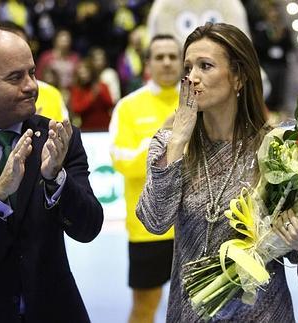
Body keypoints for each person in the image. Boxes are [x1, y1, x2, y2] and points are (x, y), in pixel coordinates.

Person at [136, 22, 298, 322]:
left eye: (205, 66)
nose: (192, 77)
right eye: (188, 67)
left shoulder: (277, 147)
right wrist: (178, 142)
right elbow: (155, 222)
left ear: (238, 77)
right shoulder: (168, 143)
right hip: (191, 313)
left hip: (263, 314)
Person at [0, 28, 104, 322]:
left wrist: (57, 180)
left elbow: (88, 228)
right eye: (15, 77)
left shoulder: (60, 137)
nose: (31, 86)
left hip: (56, 312)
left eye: (32, 73)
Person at [109, 34, 182, 323]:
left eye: (173, 56)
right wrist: (162, 140)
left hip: (198, 224)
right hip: (147, 228)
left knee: (203, 309)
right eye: (159, 56)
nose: (166, 62)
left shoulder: (202, 102)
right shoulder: (128, 107)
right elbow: (122, 162)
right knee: (144, 308)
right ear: (148, 63)